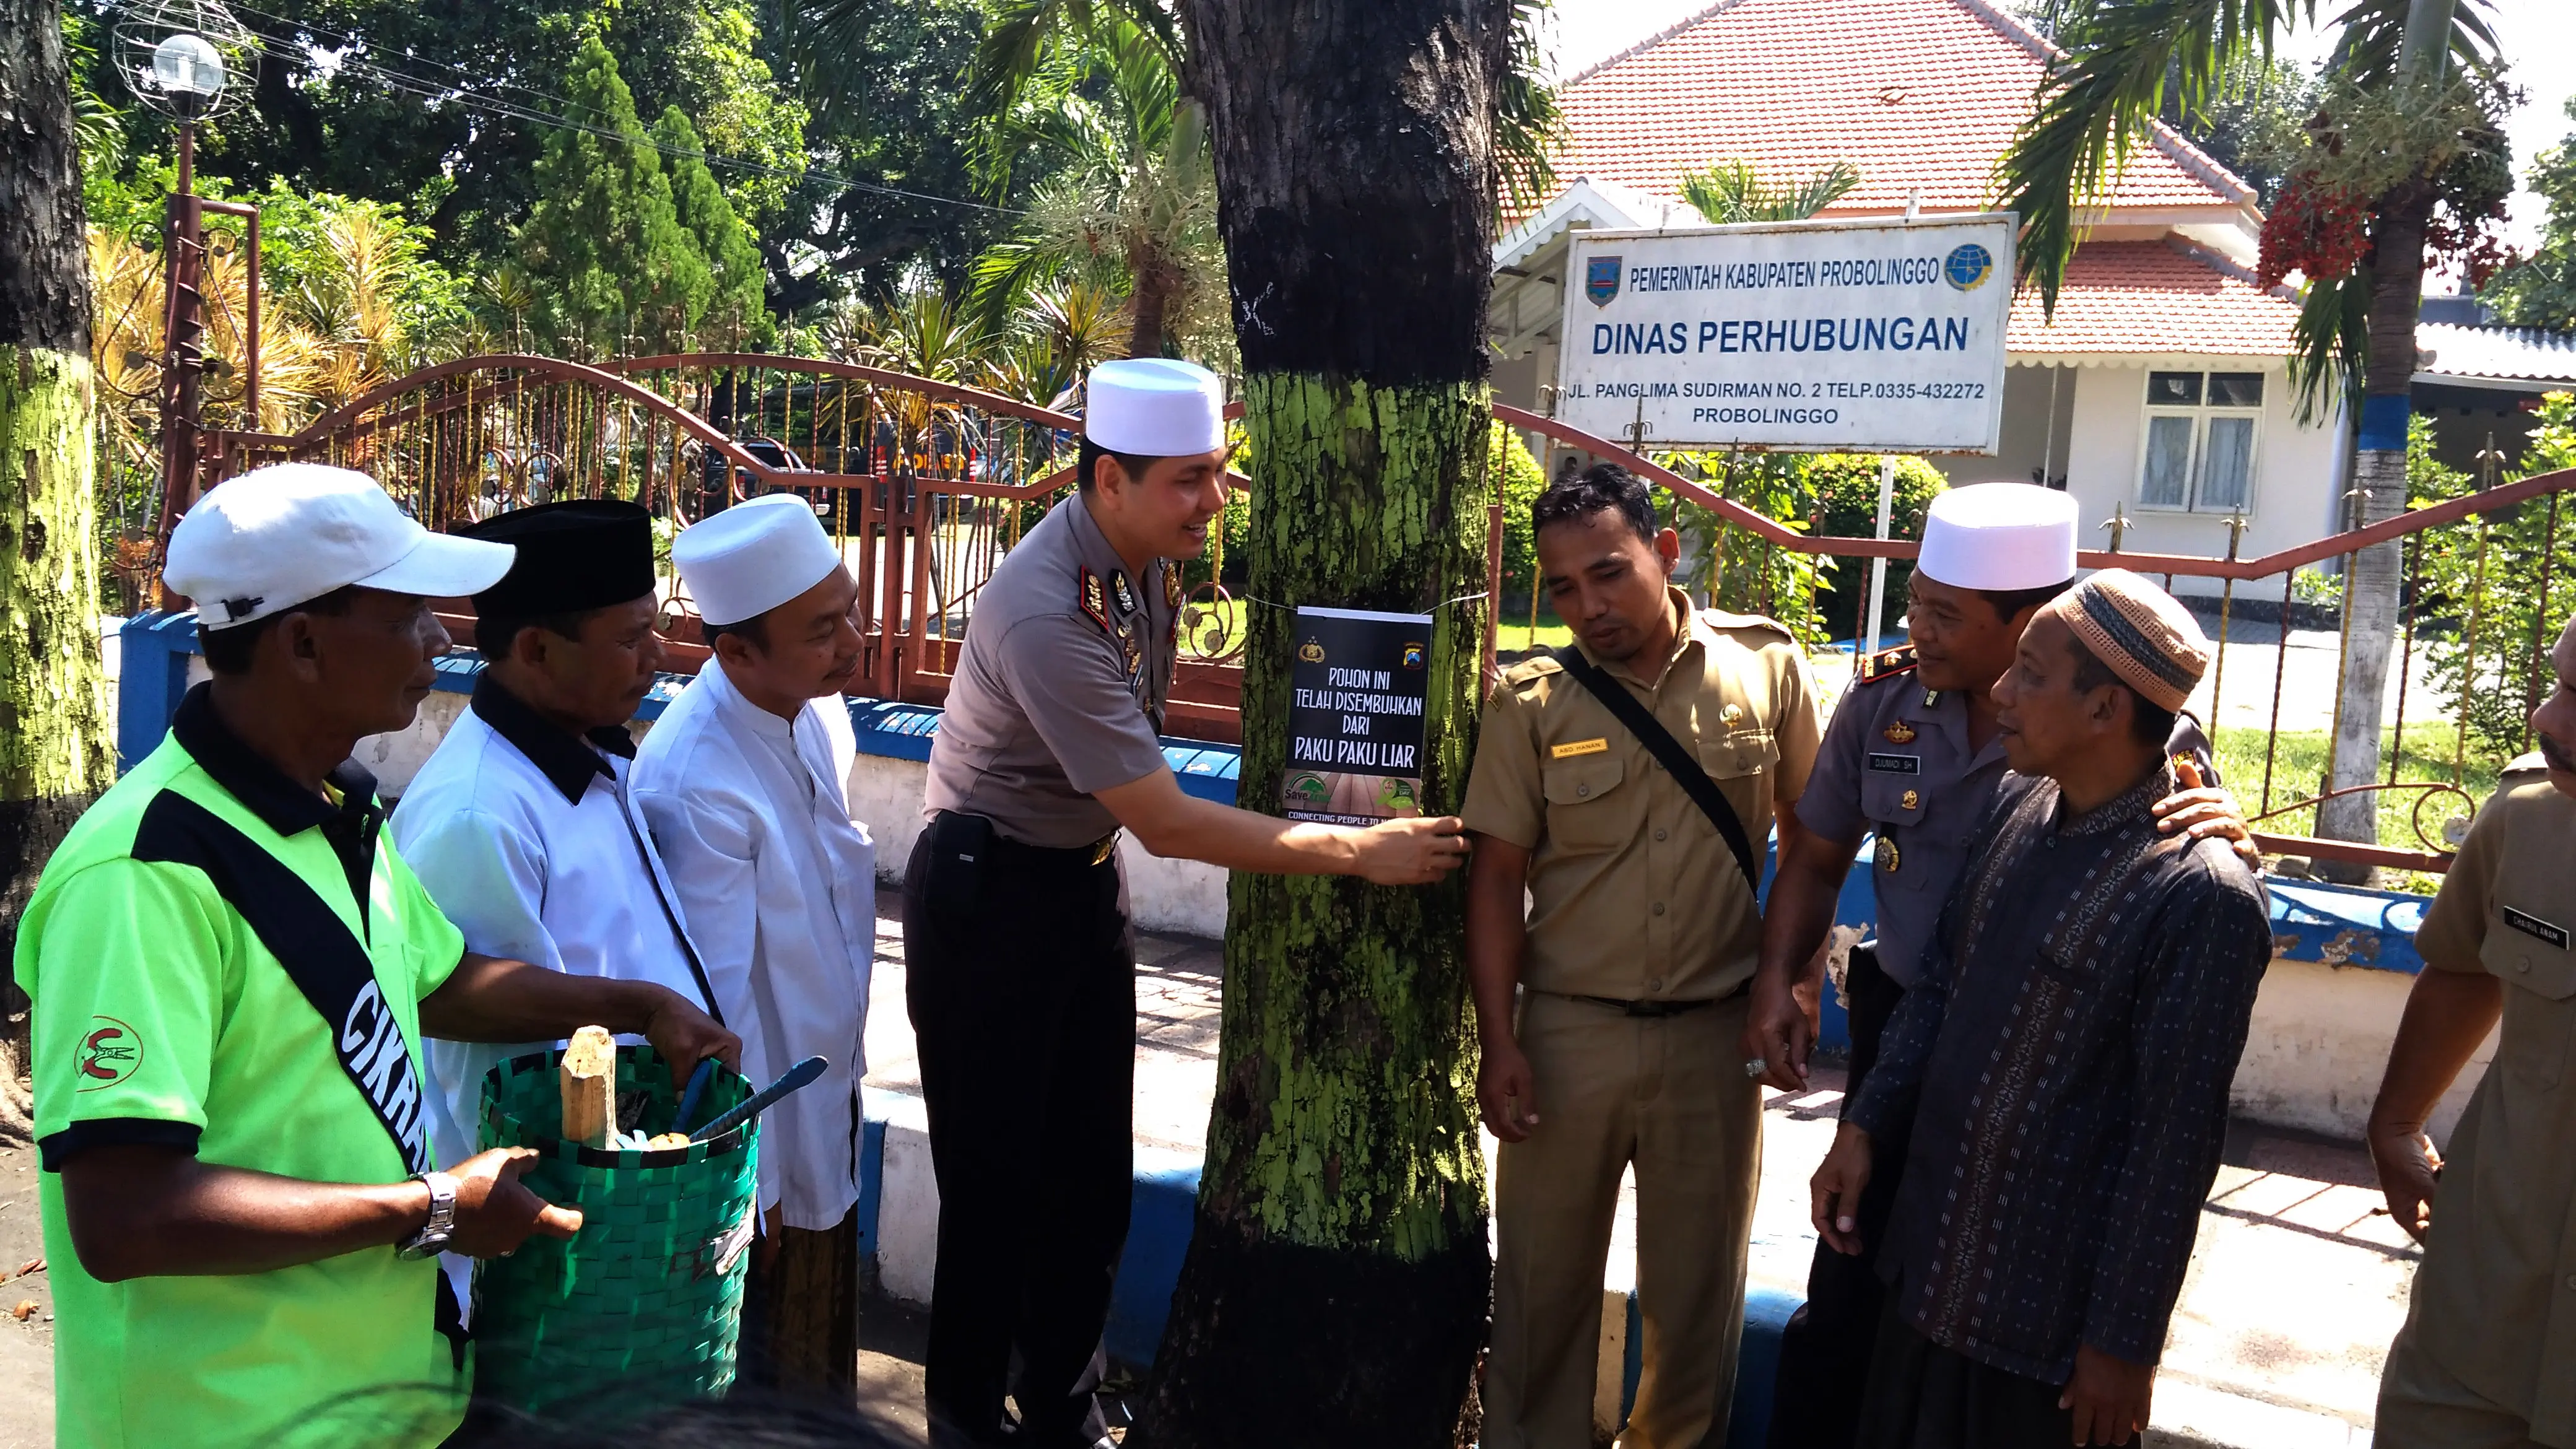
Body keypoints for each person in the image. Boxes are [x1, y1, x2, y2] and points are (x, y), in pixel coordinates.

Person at [17, 464, 737, 1449]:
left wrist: (635, 1003)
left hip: (382, 1404)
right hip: (227, 1419)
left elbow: (441, 981)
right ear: (304, 643)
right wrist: (433, 1207)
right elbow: (125, 1213)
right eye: (405, 615)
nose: (440, 639)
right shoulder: (144, 875)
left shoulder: (339, 808)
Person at [904, 357, 1470, 1448]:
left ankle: (1061, 1418)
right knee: (991, 1194)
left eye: (1218, 473)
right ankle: (966, 1424)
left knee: (1088, 1187)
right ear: (1108, 480)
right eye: (1190, 479)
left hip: (1077, 885)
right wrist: (1358, 852)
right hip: (988, 906)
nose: (1216, 500)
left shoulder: (1138, 559)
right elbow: (1168, 820)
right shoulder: (1045, 610)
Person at [1751, 483, 2254, 1449]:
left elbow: (2170, 1140)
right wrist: (1850, 1102)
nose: (1920, 630)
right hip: (1918, 1095)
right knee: (1859, 1325)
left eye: (1949, 615)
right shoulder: (1978, 773)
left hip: (2050, 1205)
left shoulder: (2179, 839)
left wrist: (2123, 1341)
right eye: (1917, 604)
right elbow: (1914, 962)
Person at [1461, 462, 1822, 1449]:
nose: (1589, 605)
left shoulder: (1767, 667)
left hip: (1716, 1040)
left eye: (1610, 573)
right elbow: (1495, 879)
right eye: (1564, 587)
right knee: (1540, 1291)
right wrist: (1500, 1041)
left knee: (1695, 1303)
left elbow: (1815, 840)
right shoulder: (1531, 702)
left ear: (1666, 554)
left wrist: (1793, 979)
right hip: (1568, 1035)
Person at [390, 498, 726, 1320]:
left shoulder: (584, 746)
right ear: (537, 649)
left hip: (618, 1215)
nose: (659, 656)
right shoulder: (481, 813)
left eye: (659, 627)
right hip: (545, 1238)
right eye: (629, 638)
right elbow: (474, 1038)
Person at [632, 494, 880, 1400]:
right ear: (736, 651)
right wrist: (755, 1178)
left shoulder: (809, 710)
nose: (853, 639)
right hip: (770, 1146)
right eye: (823, 629)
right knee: (765, 1381)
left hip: (829, 1099)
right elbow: (718, 1008)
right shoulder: (695, 777)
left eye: (850, 610)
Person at [2369, 611, 2576, 1448]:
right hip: (2484, 1308)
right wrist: (2394, 1123)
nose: (2549, 719)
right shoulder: (2527, 818)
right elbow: (2463, 967)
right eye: (2563, 683)